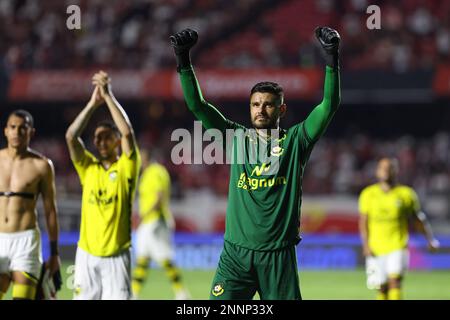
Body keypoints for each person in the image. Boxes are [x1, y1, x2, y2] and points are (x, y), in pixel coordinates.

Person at [169, 27, 341, 300]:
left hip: (278, 257)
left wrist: (332, 59)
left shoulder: (296, 141)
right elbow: (198, 106)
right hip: (236, 256)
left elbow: (329, 106)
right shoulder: (235, 138)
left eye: (268, 105)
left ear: (281, 109)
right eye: (255, 104)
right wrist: (183, 59)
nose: (260, 110)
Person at [66, 71, 141, 300]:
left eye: (107, 137)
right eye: (97, 138)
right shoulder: (88, 167)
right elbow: (71, 136)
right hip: (86, 255)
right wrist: (92, 104)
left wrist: (108, 97)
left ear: (116, 140)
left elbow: (128, 132)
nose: (100, 141)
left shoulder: (127, 166)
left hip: (116, 257)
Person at [359, 157, 440, 300]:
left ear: (395, 171)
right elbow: (363, 222)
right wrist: (365, 245)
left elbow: (418, 219)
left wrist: (430, 239)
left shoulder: (406, 194)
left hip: (398, 246)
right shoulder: (368, 194)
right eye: (382, 168)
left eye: (389, 167)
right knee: (381, 288)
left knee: (394, 282)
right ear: (377, 172)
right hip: (375, 248)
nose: (385, 171)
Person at [0, 110, 60, 300]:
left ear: (31, 132)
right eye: (13, 127)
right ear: (6, 131)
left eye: (22, 128)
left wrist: (55, 253)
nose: (17, 132)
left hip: (25, 242)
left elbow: (50, 210)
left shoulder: (42, 165)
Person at [131, 150, 190, 300]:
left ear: (147, 158)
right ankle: (134, 293)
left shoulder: (154, 172)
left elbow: (158, 197)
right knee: (144, 257)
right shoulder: (154, 172)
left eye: (141, 158)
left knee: (163, 257)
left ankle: (181, 292)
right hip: (151, 221)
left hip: (155, 221)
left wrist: (144, 215)